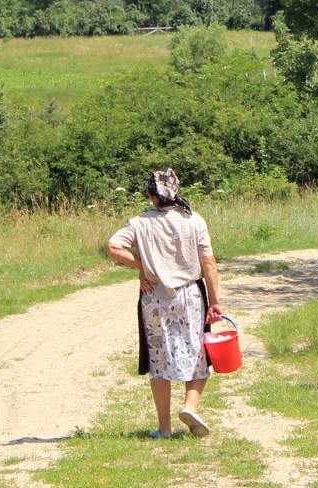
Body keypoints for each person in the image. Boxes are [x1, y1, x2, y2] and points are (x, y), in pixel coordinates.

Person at [107, 168, 223, 439]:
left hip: (155, 299)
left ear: (150, 195)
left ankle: (165, 428)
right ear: (177, 192)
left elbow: (113, 247)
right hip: (190, 296)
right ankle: (190, 406)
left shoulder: (139, 223)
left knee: (158, 361)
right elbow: (209, 264)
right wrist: (215, 302)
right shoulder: (194, 221)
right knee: (197, 353)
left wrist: (141, 267)